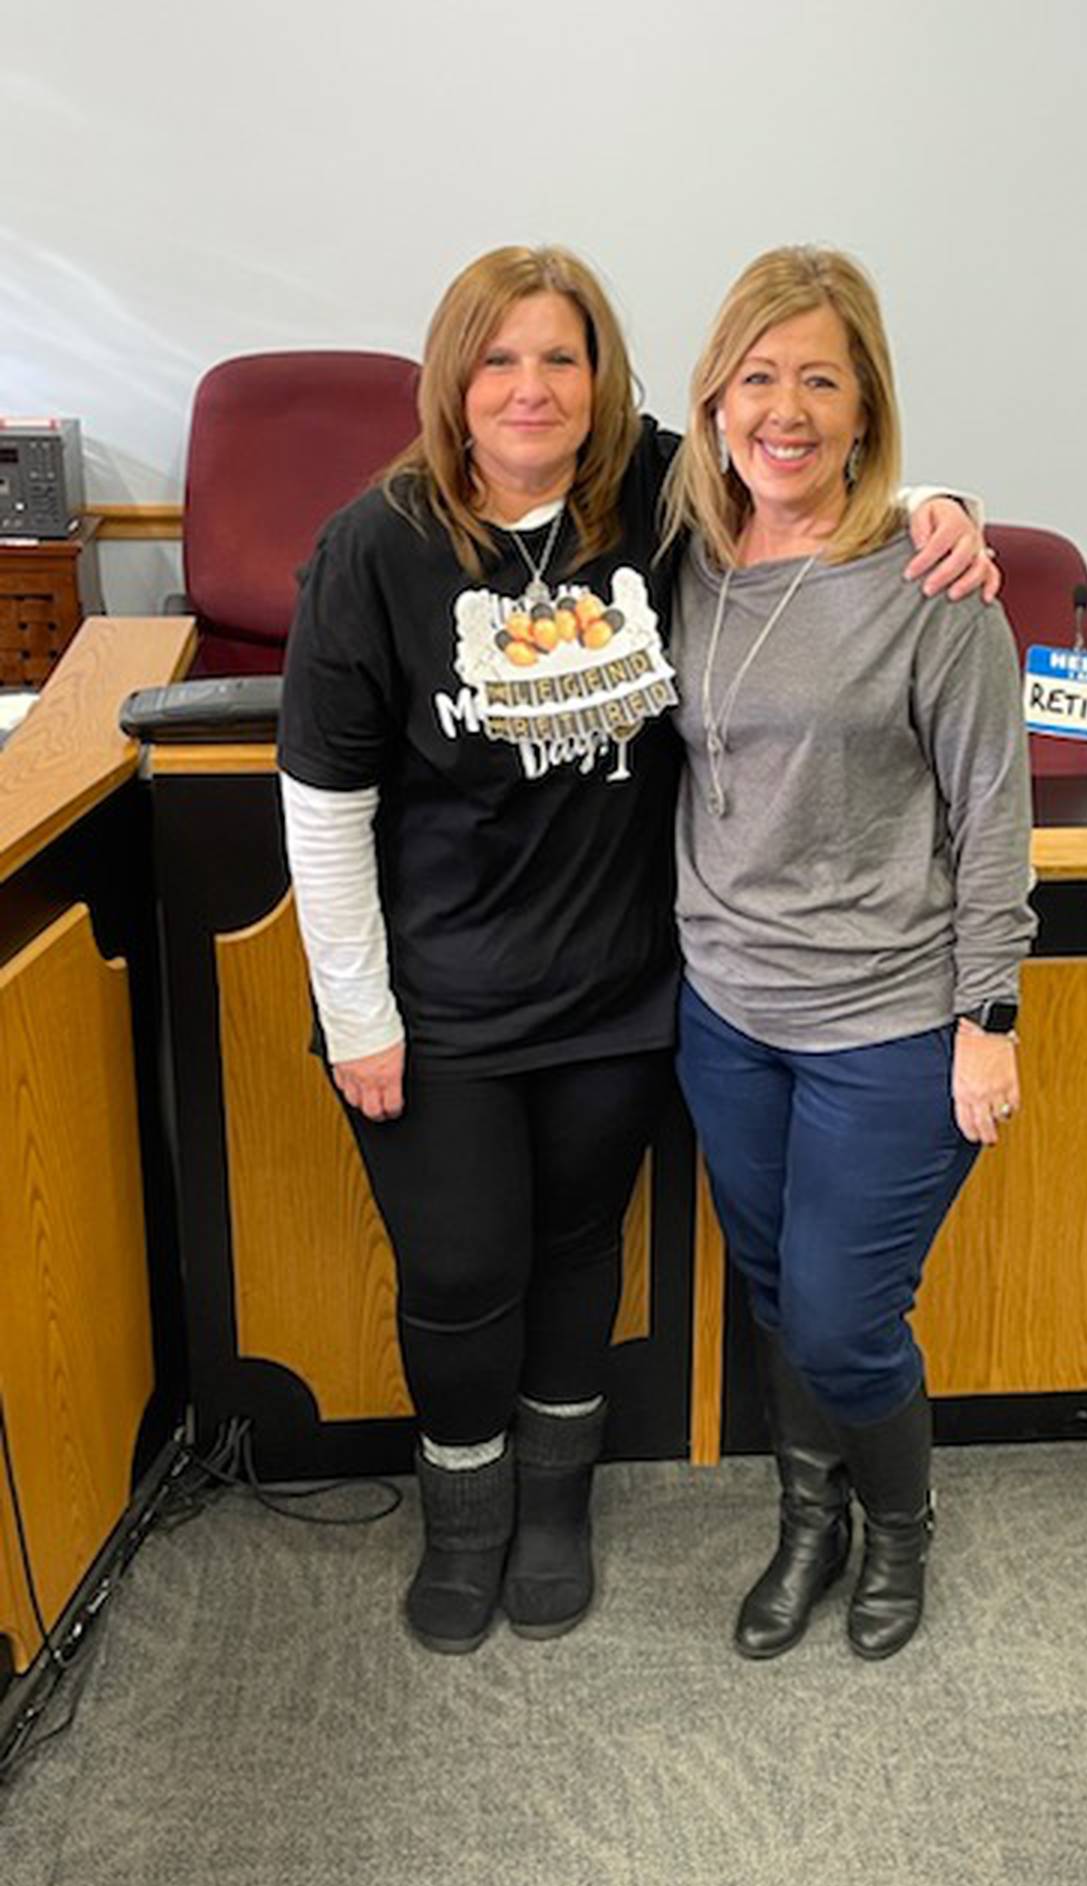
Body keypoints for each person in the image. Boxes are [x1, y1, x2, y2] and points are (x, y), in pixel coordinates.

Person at [277, 244, 996, 1657]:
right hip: (440, 1004)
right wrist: (356, 1011)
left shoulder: (653, 500)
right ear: (453, 380)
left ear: (603, 380)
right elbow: (323, 801)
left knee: (576, 1251)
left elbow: (798, 456)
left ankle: (554, 1511)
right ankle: (464, 1512)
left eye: (563, 357)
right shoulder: (381, 542)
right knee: (460, 1271)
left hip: (620, 995)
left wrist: (942, 507)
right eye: (500, 359)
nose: (531, 387)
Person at [665, 246, 1036, 1662]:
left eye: (823, 378)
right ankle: (805, 1522)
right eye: (760, 376)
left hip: (889, 1018)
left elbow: (996, 816)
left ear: (869, 407)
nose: (787, 409)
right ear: (715, 399)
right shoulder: (684, 557)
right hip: (726, 1013)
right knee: (776, 1298)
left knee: (841, 1313)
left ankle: (899, 1530)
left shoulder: (935, 588)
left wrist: (989, 1017)